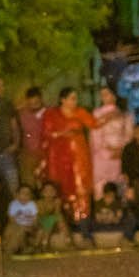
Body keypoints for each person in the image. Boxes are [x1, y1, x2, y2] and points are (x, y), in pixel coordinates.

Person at [39, 87, 95, 221]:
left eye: (76, 99)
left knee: (79, 184)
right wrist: (62, 134)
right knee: (60, 185)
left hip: (78, 155)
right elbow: (46, 133)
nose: (75, 102)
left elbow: (94, 124)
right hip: (58, 155)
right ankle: (61, 218)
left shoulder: (80, 112)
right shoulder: (51, 114)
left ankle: (82, 219)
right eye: (72, 98)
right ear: (62, 100)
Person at [90, 85, 133, 195]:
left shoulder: (125, 114)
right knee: (100, 185)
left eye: (107, 94)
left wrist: (120, 150)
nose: (104, 97)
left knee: (118, 182)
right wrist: (105, 151)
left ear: (114, 95)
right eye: (102, 95)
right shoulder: (97, 113)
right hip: (101, 155)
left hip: (119, 154)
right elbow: (95, 136)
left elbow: (129, 135)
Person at [87, 181, 138, 247]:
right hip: (101, 227)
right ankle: (88, 240)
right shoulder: (99, 203)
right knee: (85, 221)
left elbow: (120, 217)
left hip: (115, 227)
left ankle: (126, 239)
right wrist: (102, 219)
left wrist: (116, 218)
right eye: (107, 195)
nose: (109, 197)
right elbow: (96, 218)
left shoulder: (118, 203)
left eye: (111, 195)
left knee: (131, 219)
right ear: (104, 194)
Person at [17, 86, 47, 189]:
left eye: (36, 103)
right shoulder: (22, 113)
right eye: (31, 103)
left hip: (46, 153)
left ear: (41, 99)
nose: (34, 106)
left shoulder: (49, 112)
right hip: (28, 153)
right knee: (28, 183)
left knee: (45, 183)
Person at [34, 179, 73, 251]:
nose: (49, 193)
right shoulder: (39, 203)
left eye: (51, 191)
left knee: (58, 218)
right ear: (42, 193)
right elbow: (40, 216)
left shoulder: (57, 201)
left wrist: (56, 205)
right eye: (46, 191)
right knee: (50, 220)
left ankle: (69, 241)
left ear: (55, 193)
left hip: (55, 224)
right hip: (42, 223)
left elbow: (57, 214)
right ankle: (44, 244)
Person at [5, 184, 41, 253]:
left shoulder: (32, 204)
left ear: (31, 196)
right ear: (17, 195)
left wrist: (31, 225)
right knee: (15, 230)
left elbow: (35, 218)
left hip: (29, 226)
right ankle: (17, 248)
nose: (25, 196)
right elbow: (11, 219)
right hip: (17, 226)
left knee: (40, 231)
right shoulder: (13, 204)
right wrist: (21, 226)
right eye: (23, 193)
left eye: (28, 194)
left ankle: (34, 247)